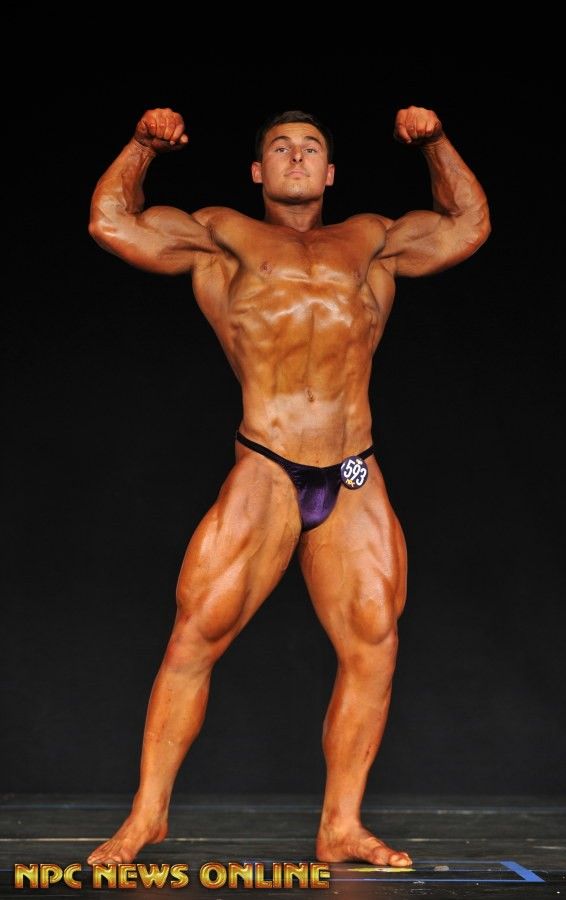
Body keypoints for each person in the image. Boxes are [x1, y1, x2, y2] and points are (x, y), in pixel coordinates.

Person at [86, 105, 490, 867]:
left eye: (310, 149)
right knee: (195, 635)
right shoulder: (221, 235)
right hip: (268, 463)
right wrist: (141, 147)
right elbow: (112, 221)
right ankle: (146, 817)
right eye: (280, 148)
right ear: (258, 170)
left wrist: (436, 144)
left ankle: (341, 825)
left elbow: (467, 223)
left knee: (374, 642)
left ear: (330, 172)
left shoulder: (371, 240)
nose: (296, 157)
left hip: (352, 465)